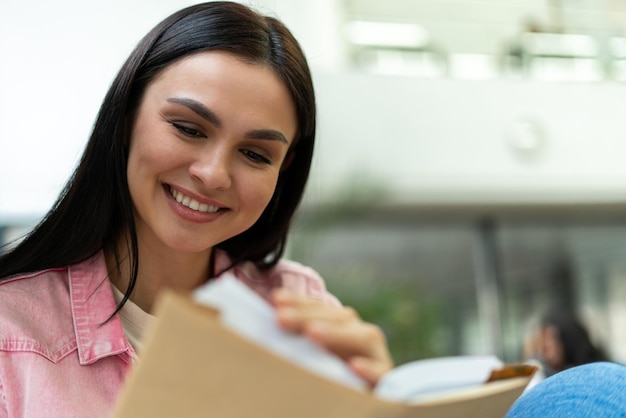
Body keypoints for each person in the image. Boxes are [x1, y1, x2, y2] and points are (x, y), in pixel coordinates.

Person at [0, 2, 393, 416]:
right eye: (188, 128)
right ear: (126, 115)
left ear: (285, 168)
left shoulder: (300, 310)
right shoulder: (11, 334)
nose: (213, 174)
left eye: (256, 154)